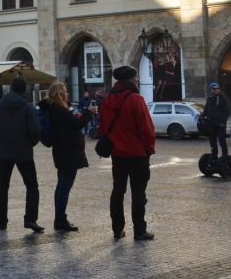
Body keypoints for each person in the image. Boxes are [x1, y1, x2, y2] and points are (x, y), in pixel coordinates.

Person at [99, 65, 156, 241]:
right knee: (138, 193)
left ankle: (117, 229)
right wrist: (148, 149)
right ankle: (139, 230)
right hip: (137, 154)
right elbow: (146, 129)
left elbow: (102, 128)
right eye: (136, 77)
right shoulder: (136, 99)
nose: (138, 80)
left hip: (117, 154)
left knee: (118, 191)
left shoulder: (107, 100)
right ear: (131, 79)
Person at [0, 78, 43, 232]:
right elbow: (35, 130)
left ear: (11, 88)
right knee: (31, 185)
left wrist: (0, 139)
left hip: (3, 152)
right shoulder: (28, 107)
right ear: (24, 90)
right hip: (23, 151)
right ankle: (30, 219)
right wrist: (30, 142)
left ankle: (2, 221)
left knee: (2, 186)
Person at [42, 82, 96, 231]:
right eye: (64, 91)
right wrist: (90, 112)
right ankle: (60, 220)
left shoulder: (57, 108)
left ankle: (59, 218)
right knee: (64, 186)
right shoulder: (58, 109)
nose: (67, 94)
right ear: (59, 93)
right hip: (68, 152)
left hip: (63, 151)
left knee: (62, 185)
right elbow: (77, 123)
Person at [202, 83, 230, 158]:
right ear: (211, 90)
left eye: (217, 88)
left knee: (222, 140)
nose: (216, 90)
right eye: (214, 89)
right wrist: (201, 115)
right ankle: (214, 155)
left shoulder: (223, 98)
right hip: (211, 123)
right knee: (212, 140)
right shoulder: (209, 98)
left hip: (220, 123)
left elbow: (227, 111)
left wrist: (223, 122)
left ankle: (225, 155)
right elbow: (206, 110)